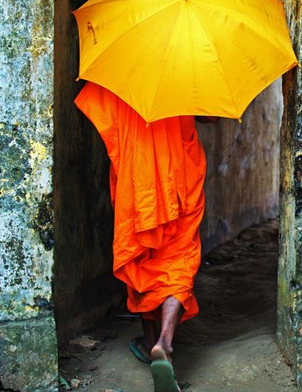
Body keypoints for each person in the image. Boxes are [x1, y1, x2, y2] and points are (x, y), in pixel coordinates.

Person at [75, 81, 218, 392]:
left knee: (142, 256)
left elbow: (102, 114)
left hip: (136, 174)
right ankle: (164, 342)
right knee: (179, 257)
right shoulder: (189, 66)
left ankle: (150, 341)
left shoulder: (123, 70)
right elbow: (210, 117)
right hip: (180, 176)